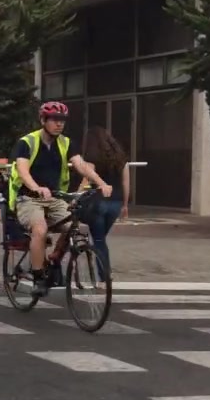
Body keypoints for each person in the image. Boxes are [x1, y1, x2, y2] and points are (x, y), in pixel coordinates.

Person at [8, 102, 112, 296]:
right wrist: (36, 187)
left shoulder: (66, 143)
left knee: (78, 227)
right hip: (29, 198)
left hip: (55, 198)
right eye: (55, 120)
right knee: (40, 230)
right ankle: (38, 277)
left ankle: (55, 259)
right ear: (43, 120)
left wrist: (101, 182)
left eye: (62, 120)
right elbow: (22, 170)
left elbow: (81, 165)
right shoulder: (27, 142)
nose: (59, 124)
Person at [81, 127, 130, 282]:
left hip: (98, 203)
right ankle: (104, 274)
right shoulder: (121, 159)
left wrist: (76, 196)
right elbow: (126, 183)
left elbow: (86, 181)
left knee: (99, 240)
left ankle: (105, 276)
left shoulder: (92, 158)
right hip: (116, 203)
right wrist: (125, 205)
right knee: (100, 238)